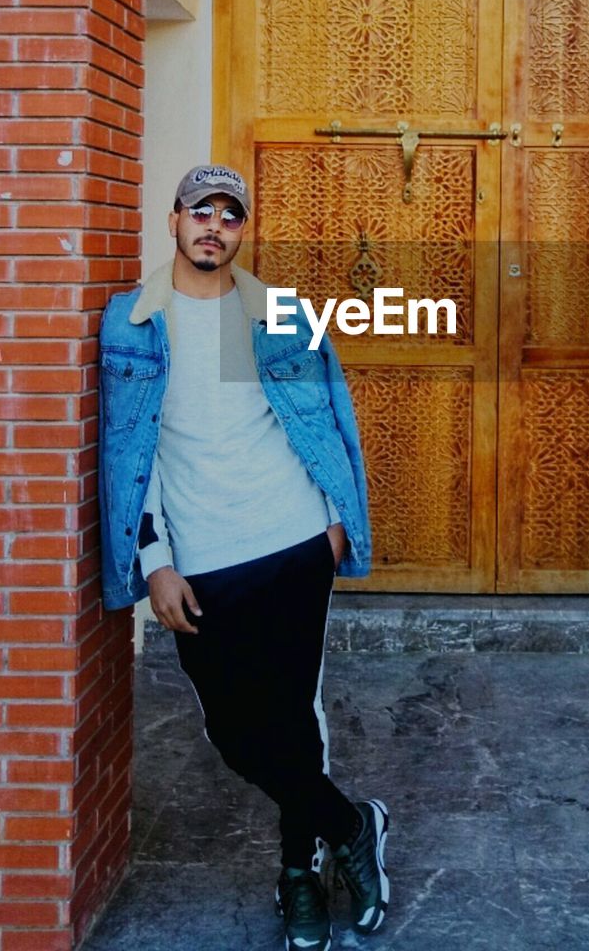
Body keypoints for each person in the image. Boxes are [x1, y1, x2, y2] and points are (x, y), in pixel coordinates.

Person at [97, 163, 391, 949]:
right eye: (201, 211)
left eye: (230, 215)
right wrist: (154, 561)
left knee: (295, 724)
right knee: (234, 733)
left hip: (293, 543)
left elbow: (332, 416)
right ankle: (351, 824)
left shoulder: (284, 315)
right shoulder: (128, 322)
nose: (213, 226)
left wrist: (334, 525)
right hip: (200, 561)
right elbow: (133, 451)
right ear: (174, 221)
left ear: (241, 230)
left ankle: (299, 874)